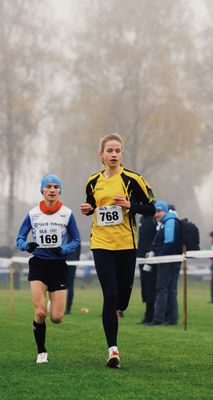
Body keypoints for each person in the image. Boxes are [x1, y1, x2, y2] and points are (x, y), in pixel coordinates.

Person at [80, 133, 155, 368]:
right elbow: (92, 205)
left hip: (126, 245)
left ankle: (120, 308)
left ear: (122, 154)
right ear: (100, 154)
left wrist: (131, 205)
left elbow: (152, 209)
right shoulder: (93, 181)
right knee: (109, 295)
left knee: (121, 301)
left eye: (117, 151)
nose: (113, 155)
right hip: (101, 244)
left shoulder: (133, 179)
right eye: (109, 151)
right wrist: (88, 209)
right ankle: (113, 350)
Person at [16, 174, 80, 364]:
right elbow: (20, 238)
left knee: (57, 318)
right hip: (38, 265)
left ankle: (53, 303)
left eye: (55, 187)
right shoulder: (33, 214)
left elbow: (76, 240)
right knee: (40, 313)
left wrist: (65, 249)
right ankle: (41, 351)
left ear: (60, 191)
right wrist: (26, 246)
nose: (52, 190)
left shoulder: (67, 214)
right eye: (48, 187)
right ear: (42, 190)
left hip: (58, 266)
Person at [147, 200, 182, 326]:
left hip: (167, 260)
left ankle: (158, 319)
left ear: (165, 211)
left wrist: (159, 257)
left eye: (159, 211)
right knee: (170, 290)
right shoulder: (167, 221)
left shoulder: (169, 222)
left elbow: (169, 242)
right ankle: (172, 319)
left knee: (162, 289)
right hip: (171, 260)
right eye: (155, 211)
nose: (156, 214)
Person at [137, 214, 158, 324]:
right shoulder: (142, 217)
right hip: (141, 258)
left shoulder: (154, 216)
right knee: (145, 286)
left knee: (151, 287)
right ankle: (148, 314)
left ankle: (151, 315)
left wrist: (151, 252)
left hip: (151, 258)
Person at [65, 245, 82, 314]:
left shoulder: (61, 234)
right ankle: (68, 309)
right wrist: (77, 260)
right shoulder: (75, 234)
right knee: (70, 285)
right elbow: (78, 248)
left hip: (62, 260)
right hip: (73, 261)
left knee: (60, 285)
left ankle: (59, 308)